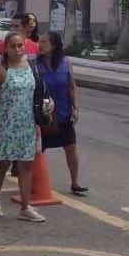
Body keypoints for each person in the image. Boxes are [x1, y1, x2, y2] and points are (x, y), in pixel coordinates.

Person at [0, 32, 45, 223]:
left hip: (27, 123)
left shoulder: (31, 66)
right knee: (3, 162)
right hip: (6, 123)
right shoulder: (0, 70)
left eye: (20, 46)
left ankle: (25, 206)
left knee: (26, 164)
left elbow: (38, 92)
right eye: (13, 46)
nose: (18, 50)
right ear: (6, 48)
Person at [37, 32, 88, 195]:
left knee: (71, 147)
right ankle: (33, 182)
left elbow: (71, 86)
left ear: (54, 45)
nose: (40, 45)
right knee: (38, 150)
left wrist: (75, 108)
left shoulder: (66, 63)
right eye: (40, 42)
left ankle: (75, 182)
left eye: (44, 42)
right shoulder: (34, 65)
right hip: (43, 114)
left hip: (63, 112)